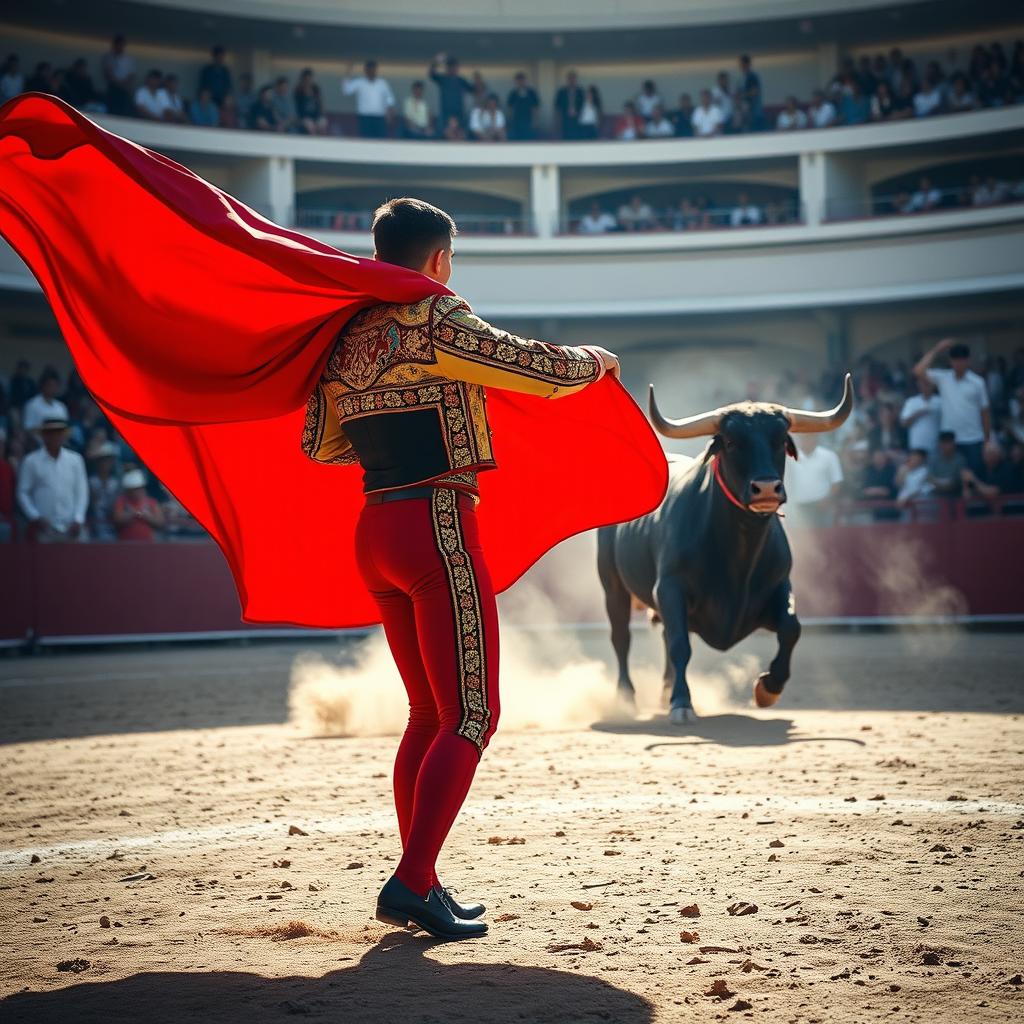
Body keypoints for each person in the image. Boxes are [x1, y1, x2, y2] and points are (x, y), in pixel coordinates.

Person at [299, 197, 619, 940]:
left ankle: (425, 879)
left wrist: (389, 416)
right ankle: (411, 881)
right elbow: (535, 368)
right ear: (439, 259)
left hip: (374, 525)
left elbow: (322, 442)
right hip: (436, 524)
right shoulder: (435, 317)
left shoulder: (346, 336)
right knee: (471, 713)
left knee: (426, 712)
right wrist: (595, 362)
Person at [914, 338, 990, 475]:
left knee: (976, 477)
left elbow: (985, 412)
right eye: (955, 359)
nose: (958, 363)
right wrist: (937, 349)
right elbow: (918, 370)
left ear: (967, 361)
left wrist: (987, 441)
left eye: (961, 359)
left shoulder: (978, 382)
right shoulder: (943, 378)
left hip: (974, 440)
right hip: (950, 441)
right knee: (951, 480)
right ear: (951, 361)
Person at [16, 416, 89, 542]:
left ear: (64, 435)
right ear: (43, 436)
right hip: (44, 528)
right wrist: (35, 517)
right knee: (44, 561)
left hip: (71, 527)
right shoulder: (31, 461)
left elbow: (82, 492)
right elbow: (23, 492)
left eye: (59, 432)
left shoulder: (75, 460)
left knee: (79, 560)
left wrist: (78, 519)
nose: (55, 436)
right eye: (50, 433)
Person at [785, 434, 843, 525]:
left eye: (810, 437)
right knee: (801, 537)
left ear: (816, 438)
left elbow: (836, 482)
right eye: (805, 437)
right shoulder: (790, 458)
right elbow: (786, 481)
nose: (807, 440)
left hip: (822, 505)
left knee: (824, 536)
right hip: (799, 506)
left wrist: (827, 499)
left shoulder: (829, 456)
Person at [343, 60, 395, 138]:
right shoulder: (359, 82)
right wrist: (348, 71)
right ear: (365, 71)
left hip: (379, 118)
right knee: (365, 142)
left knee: (380, 142)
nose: (371, 72)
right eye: (369, 70)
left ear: (376, 70)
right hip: (364, 118)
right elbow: (346, 90)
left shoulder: (382, 83)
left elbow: (390, 99)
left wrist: (389, 114)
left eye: (373, 69)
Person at [113, 468, 164, 540]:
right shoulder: (121, 501)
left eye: (139, 488)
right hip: (126, 544)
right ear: (128, 491)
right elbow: (117, 520)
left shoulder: (152, 502)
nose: (137, 492)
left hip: (147, 544)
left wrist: (146, 516)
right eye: (134, 489)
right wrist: (133, 514)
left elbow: (160, 523)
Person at [428, 54, 473, 133]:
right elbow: (431, 74)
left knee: (460, 133)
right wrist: (436, 62)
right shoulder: (443, 79)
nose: (453, 69)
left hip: (459, 113)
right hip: (446, 113)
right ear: (447, 68)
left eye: (455, 67)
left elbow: (473, 90)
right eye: (451, 67)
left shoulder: (461, 81)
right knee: (445, 133)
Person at [900, 377, 942, 455]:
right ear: (919, 385)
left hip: (935, 446)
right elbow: (904, 424)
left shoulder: (940, 402)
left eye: (928, 384)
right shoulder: (911, 402)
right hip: (916, 446)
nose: (925, 387)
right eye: (923, 384)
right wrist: (918, 414)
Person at [87, 440, 120, 541]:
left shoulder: (115, 482)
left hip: (112, 525)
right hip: (94, 524)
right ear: (98, 462)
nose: (106, 463)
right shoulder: (91, 481)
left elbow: (118, 504)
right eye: (103, 460)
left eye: (109, 460)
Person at [22, 368, 69, 434]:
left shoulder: (61, 406)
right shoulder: (32, 405)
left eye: (55, 385)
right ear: (42, 385)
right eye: (50, 385)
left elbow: (65, 429)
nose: (53, 388)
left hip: (59, 443)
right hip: (39, 442)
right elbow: (29, 429)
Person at [101, 35, 136, 116]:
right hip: (112, 88)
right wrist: (117, 83)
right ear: (114, 45)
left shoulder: (128, 59)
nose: (120, 47)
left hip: (124, 89)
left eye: (122, 45)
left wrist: (124, 84)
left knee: (122, 110)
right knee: (110, 110)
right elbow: (107, 73)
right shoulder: (108, 57)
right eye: (118, 44)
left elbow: (131, 75)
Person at [927, 430, 967, 496]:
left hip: (955, 493)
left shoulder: (960, 459)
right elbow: (929, 477)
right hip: (936, 493)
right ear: (939, 444)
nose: (946, 446)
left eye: (948, 442)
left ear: (953, 443)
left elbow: (959, 481)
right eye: (944, 443)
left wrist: (947, 485)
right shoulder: (933, 459)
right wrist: (940, 484)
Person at [506, 72, 539, 141]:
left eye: (522, 80)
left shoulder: (531, 92)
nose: (520, 82)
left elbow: (535, 107)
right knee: (517, 139)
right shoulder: (513, 93)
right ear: (516, 81)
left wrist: (535, 120)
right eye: (518, 80)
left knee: (528, 139)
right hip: (516, 121)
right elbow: (510, 108)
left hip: (528, 120)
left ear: (525, 80)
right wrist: (510, 120)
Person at [294, 68, 327, 135]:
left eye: (310, 78)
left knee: (322, 123)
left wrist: (321, 114)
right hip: (303, 117)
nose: (308, 81)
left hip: (316, 116)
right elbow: (297, 108)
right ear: (303, 79)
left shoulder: (315, 89)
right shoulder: (298, 90)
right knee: (310, 125)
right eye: (306, 79)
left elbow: (320, 103)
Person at [554, 70, 584, 140]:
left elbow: (583, 105)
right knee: (566, 136)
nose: (572, 80)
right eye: (570, 78)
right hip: (565, 118)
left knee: (577, 136)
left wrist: (578, 113)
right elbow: (557, 106)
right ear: (567, 79)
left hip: (577, 118)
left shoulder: (580, 91)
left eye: (573, 78)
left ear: (576, 79)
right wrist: (557, 120)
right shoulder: (562, 91)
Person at [738, 54, 764, 130]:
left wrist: (742, 96)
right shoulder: (743, 77)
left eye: (742, 64)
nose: (740, 66)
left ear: (747, 64)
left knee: (754, 131)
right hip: (746, 112)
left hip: (753, 111)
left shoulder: (752, 76)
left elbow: (754, 92)